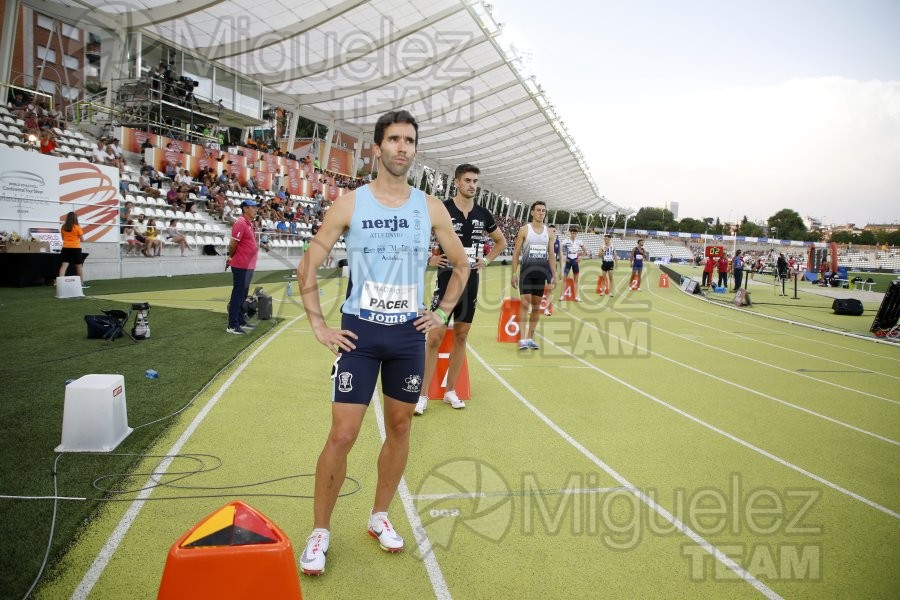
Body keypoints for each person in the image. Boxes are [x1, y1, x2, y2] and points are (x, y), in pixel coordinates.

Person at [296, 110, 468, 576]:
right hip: (360, 334)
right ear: (377, 147)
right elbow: (307, 264)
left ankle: (378, 516)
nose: (401, 148)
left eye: (409, 141)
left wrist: (442, 313)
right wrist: (319, 325)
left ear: (415, 149)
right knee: (343, 434)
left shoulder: (430, 207)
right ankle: (320, 531)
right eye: (393, 139)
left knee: (400, 428)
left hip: (408, 338)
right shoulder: (350, 203)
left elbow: (462, 264)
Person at [415, 163, 507, 415]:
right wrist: (430, 259)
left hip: (471, 280)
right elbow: (419, 235)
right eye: (467, 180)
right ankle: (422, 395)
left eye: (475, 181)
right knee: (434, 336)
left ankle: (450, 391)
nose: (472, 185)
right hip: (445, 278)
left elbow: (501, 241)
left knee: (462, 335)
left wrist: (486, 260)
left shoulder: (483, 214)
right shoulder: (442, 209)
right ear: (456, 182)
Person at [511, 201, 557, 350]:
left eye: (543, 211)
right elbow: (516, 252)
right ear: (532, 212)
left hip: (541, 273)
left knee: (536, 306)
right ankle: (522, 339)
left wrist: (554, 275)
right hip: (526, 272)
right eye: (538, 210)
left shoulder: (549, 232)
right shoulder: (524, 230)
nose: (541, 213)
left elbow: (551, 255)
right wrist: (514, 273)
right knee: (525, 302)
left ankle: (530, 338)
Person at [225, 199, 260, 334]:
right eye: (253, 207)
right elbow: (233, 243)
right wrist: (231, 256)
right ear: (245, 209)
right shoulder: (240, 223)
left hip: (248, 265)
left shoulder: (248, 224)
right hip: (241, 265)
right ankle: (232, 325)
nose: (256, 209)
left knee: (243, 295)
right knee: (238, 295)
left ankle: (240, 320)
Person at [58, 211, 87, 287]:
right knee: (78, 266)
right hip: (75, 248)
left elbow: (63, 238)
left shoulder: (63, 227)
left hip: (66, 247)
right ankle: (81, 283)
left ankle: (60, 284)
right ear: (75, 218)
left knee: (64, 266)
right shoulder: (77, 227)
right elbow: (82, 240)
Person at [559, 226, 586, 301]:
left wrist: (581, 258)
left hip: (575, 261)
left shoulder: (579, 241)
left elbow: (585, 250)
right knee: (564, 278)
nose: (573, 234)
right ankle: (562, 296)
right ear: (570, 233)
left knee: (576, 280)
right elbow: (561, 249)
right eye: (572, 233)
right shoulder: (566, 241)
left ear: (576, 234)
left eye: (575, 233)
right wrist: (564, 257)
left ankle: (576, 296)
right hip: (568, 261)